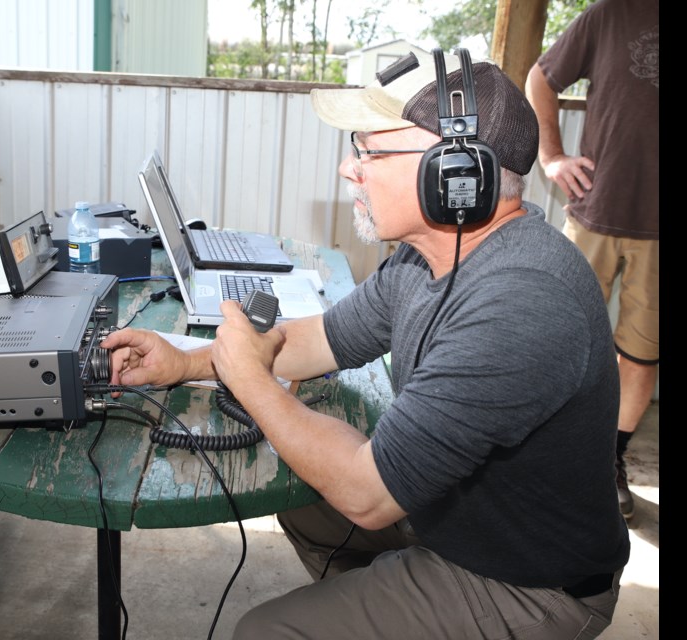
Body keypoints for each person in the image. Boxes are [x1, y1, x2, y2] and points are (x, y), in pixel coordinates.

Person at [102, 51, 630, 638]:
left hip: (526, 585)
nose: (348, 169)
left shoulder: (521, 304)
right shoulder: (426, 255)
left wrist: (251, 383)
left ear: (456, 174)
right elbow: (321, 339)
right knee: (301, 484)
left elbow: (366, 494)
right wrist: (186, 362)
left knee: (266, 632)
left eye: (371, 152)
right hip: (455, 520)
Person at [525, 0, 659, 521]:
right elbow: (541, 77)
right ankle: (538, 454)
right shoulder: (608, 15)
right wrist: (552, 155)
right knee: (555, 338)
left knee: (641, 359)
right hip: (594, 213)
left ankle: (609, 461)